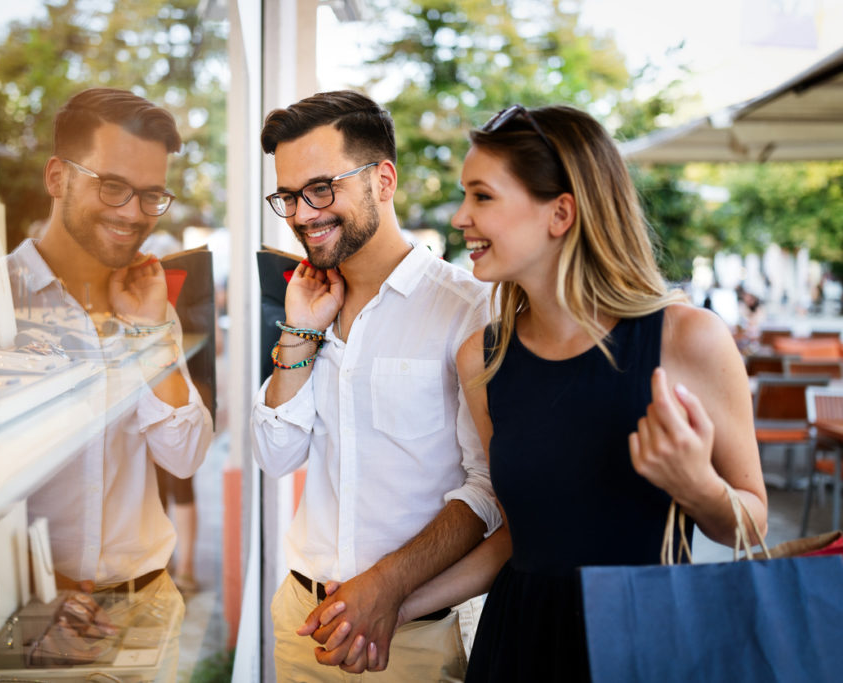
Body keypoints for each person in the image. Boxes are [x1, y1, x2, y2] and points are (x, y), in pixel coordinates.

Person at [310, 104, 768, 681]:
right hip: (518, 647)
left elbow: (752, 522)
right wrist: (391, 606)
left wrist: (699, 488)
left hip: (643, 643)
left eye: (482, 196)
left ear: (560, 213)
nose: (459, 217)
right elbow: (515, 538)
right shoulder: (482, 355)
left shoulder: (687, 339)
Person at [0, 88, 213, 653]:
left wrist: (149, 332)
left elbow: (184, 455)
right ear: (57, 177)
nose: (133, 213)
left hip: (143, 608)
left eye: (151, 194)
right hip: (15, 616)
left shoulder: (146, 300)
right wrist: (20, 592)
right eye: (112, 186)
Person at [250, 90, 501, 682]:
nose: (301, 214)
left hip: (407, 634)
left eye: (320, 188)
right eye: (288, 196)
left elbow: (490, 488)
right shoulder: (308, 303)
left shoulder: (470, 310)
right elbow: (276, 455)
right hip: (301, 622)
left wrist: (388, 588)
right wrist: (298, 335)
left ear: (382, 180)